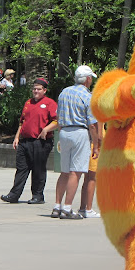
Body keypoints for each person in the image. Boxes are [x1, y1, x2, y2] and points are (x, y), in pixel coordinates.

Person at [51, 65, 99, 220]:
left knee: (65, 171)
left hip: (64, 132)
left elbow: (58, 116)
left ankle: (57, 206)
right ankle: (67, 207)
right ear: (87, 79)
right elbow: (92, 124)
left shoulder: (64, 92)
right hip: (79, 132)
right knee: (75, 172)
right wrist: (96, 144)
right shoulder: (87, 96)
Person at [0, 77, 57, 204]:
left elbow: (57, 121)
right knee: (21, 168)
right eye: (34, 89)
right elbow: (22, 122)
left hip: (41, 142)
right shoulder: (28, 103)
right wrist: (16, 137)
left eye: (39, 89)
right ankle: (14, 194)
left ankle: (38, 195)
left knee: (38, 169)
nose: (36, 91)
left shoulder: (50, 103)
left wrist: (46, 129)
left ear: (44, 90)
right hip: (25, 141)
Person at [78, 122, 103, 218]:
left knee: (87, 178)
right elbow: (99, 134)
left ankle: (83, 207)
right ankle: (88, 208)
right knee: (92, 178)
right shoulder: (98, 113)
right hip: (95, 145)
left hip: (87, 142)